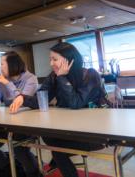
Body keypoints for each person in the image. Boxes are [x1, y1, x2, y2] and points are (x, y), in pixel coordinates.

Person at [20, 42, 106, 177]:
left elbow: (75, 103)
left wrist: (62, 77)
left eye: (54, 59)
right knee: (48, 136)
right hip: (67, 129)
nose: (51, 63)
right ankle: (57, 162)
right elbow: (40, 100)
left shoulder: (90, 75)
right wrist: (22, 98)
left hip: (93, 133)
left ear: (69, 59)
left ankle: (58, 162)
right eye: (50, 59)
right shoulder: (54, 76)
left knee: (57, 150)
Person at [0, 51, 40, 177]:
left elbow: (24, 100)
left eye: (2, 64)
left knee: (18, 148)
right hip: (8, 122)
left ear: (12, 64)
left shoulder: (31, 79)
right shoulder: (4, 80)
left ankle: (34, 173)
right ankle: (11, 168)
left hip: (28, 124)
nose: (0, 67)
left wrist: (7, 83)